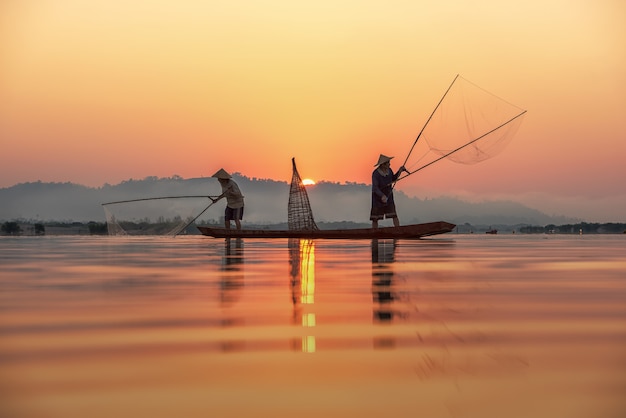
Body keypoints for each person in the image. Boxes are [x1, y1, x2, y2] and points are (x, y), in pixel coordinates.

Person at [370, 154, 407, 228]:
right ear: (383, 164)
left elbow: (393, 178)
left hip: (388, 194)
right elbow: (375, 188)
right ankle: (374, 232)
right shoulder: (376, 174)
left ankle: (398, 230)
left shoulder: (389, 171)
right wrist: (382, 196)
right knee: (375, 218)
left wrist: (400, 171)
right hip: (377, 197)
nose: (389, 164)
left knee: (394, 214)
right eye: (388, 163)